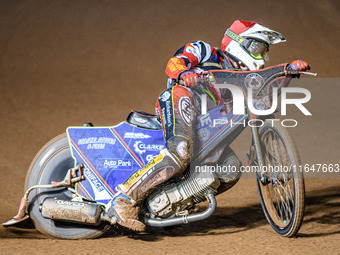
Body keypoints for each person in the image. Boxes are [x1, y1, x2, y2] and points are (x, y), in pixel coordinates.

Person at [108, 20, 310, 231]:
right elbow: (175, 63)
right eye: (257, 48)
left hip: (205, 123)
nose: (261, 57)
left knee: (230, 168)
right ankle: (123, 201)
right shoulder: (206, 51)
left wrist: (288, 70)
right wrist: (184, 74)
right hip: (183, 98)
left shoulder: (243, 79)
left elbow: (261, 92)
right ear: (238, 43)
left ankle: (170, 206)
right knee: (179, 152)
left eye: (264, 52)